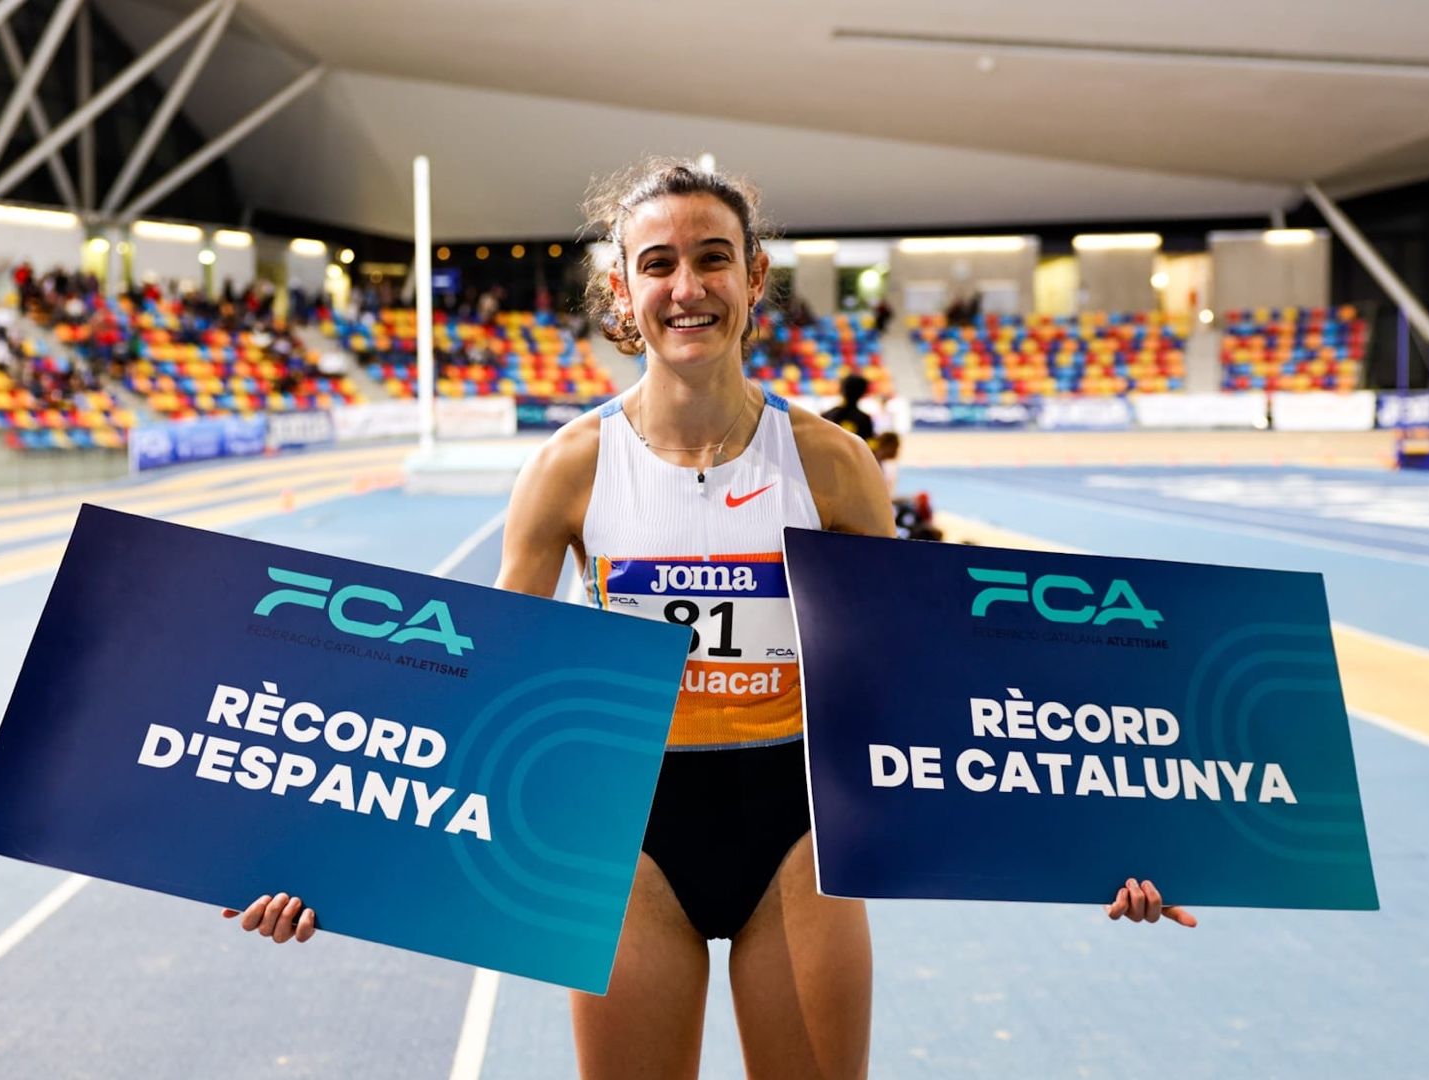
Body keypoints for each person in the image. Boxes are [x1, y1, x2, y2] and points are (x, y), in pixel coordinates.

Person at [223, 160, 1194, 1078]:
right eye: (657, 264)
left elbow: (922, 686)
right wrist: (326, 859)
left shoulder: (834, 466)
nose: (686, 286)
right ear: (621, 291)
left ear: (754, 276)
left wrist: (1103, 838)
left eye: (712, 258)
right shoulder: (569, 469)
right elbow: (478, 689)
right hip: (627, 842)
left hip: (798, 839)